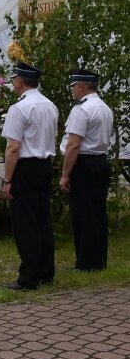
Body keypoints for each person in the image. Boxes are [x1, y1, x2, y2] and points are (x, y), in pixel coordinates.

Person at [1, 62, 58, 290]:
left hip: (25, 168)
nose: (13, 83)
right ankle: (46, 271)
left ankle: (29, 277)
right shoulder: (50, 106)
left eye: (14, 79)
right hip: (45, 165)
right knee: (43, 220)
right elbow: (51, 140)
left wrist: (7, 180)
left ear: (19, 81)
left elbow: (13, 147)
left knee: (26, 224)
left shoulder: (19, 108)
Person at [58, 69, 114, 272]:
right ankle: (99, 259)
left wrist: (65, 175)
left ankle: (86, 262)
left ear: (81, 86)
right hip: (100, 161)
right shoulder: (104, 108)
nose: (72, 91)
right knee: (98, 212)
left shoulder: (81, 110)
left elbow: (73, 144)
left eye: (73, 87)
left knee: (83, 213)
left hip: (83, 164)